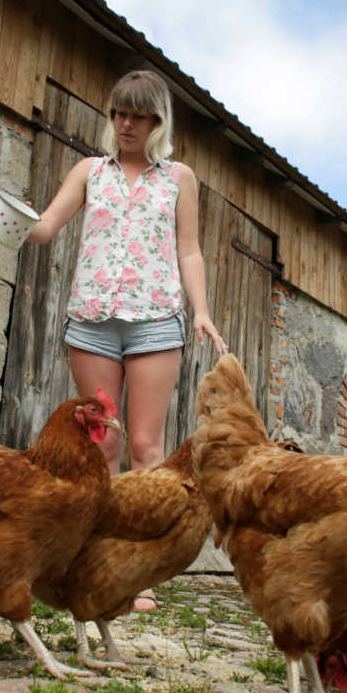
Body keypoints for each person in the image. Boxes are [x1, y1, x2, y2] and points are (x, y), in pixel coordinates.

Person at [25, 69, 228, 475]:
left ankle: (142, 538)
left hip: (155, 322)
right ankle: (102, 537)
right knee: (103, 443)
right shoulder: (90, 172)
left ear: (158, 122)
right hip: (91, 322)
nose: (126, 125)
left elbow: (189, 251)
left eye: (138, 116)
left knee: (144, 445)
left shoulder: (178, 178)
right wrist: (12, 220)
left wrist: (201, 310)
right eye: (119, 114)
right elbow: (46, 227)